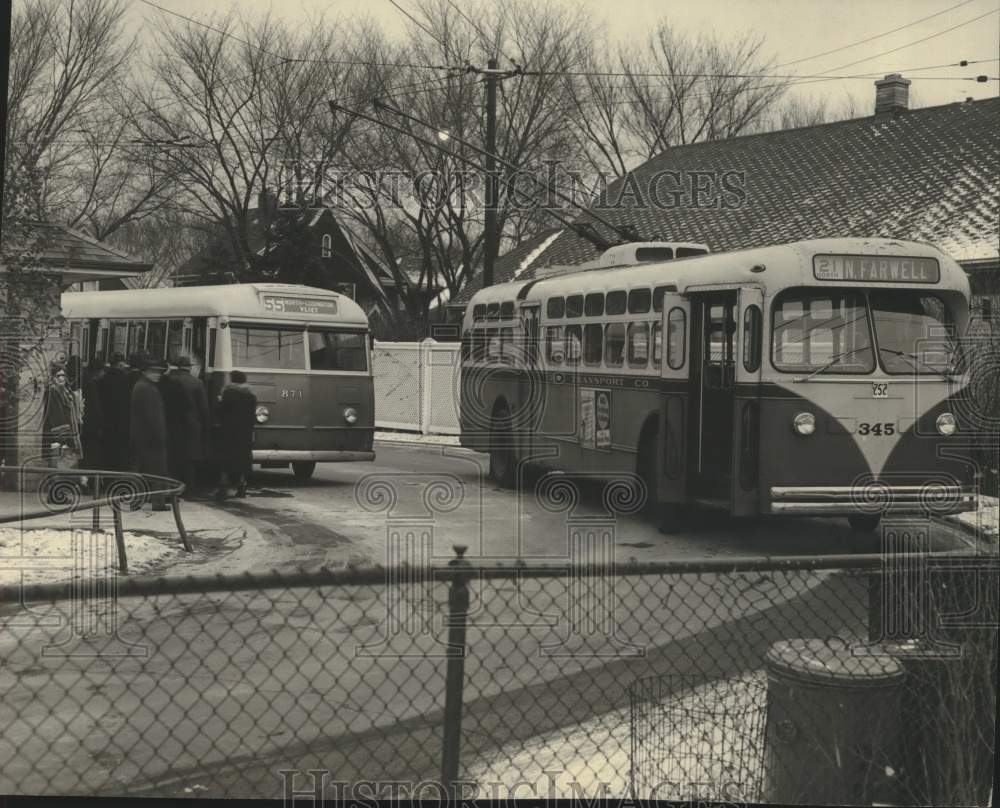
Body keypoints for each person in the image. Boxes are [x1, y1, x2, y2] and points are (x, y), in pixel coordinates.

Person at [161, 355, 210, 498]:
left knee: (173, 455)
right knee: (190, 457)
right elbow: (203, 408)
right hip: (192, 424)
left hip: (172, 423)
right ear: (189, 367)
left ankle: (172, 485)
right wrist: (206, 426)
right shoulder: (197, 382)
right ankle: (189, 487)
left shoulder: (169, 380)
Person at [129, 353, 170, 511]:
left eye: (159, 372)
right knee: (155, 470)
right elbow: (153, 416)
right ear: (145, 372)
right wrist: (160, 436)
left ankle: (136, 500)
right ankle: (157, 502)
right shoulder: (146, 388)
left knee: (140, 468)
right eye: (154, 372)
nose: (157, 375)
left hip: (142, 436)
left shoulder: (143, 386)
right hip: (151, 437)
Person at [215, 370, 256, 501]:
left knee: (226, 459)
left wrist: (220, 400)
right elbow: (252, 416)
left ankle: (223, 488)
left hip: (229, 432)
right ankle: (242, 487)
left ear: (232, 379)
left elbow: (220, 411)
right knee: (242, 459)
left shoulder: (228, 393)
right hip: (245, 433)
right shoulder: (251, 396)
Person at [42, 364, 81, 469]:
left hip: (67, 438)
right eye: (57, 376)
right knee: (60, 471)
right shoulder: (53, 392)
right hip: (59, 441)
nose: (61, 378)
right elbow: (57, 419)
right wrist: (66, 441)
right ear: (53, 378)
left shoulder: (66, 391)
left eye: (63, 375)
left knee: (66, 472)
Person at [98, 353, 132, 471]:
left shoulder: (103, 379)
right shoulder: (125, 379)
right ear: (120, 363)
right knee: (120, 453)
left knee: (108, 451)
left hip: (107, 421)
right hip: (122, 422)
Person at [79, 357, 105, 471]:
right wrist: (100, 425)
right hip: (91, 426)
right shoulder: (91, 384)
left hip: (83, 423)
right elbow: (95, 407)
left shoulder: (81, 381)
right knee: (91, 455)